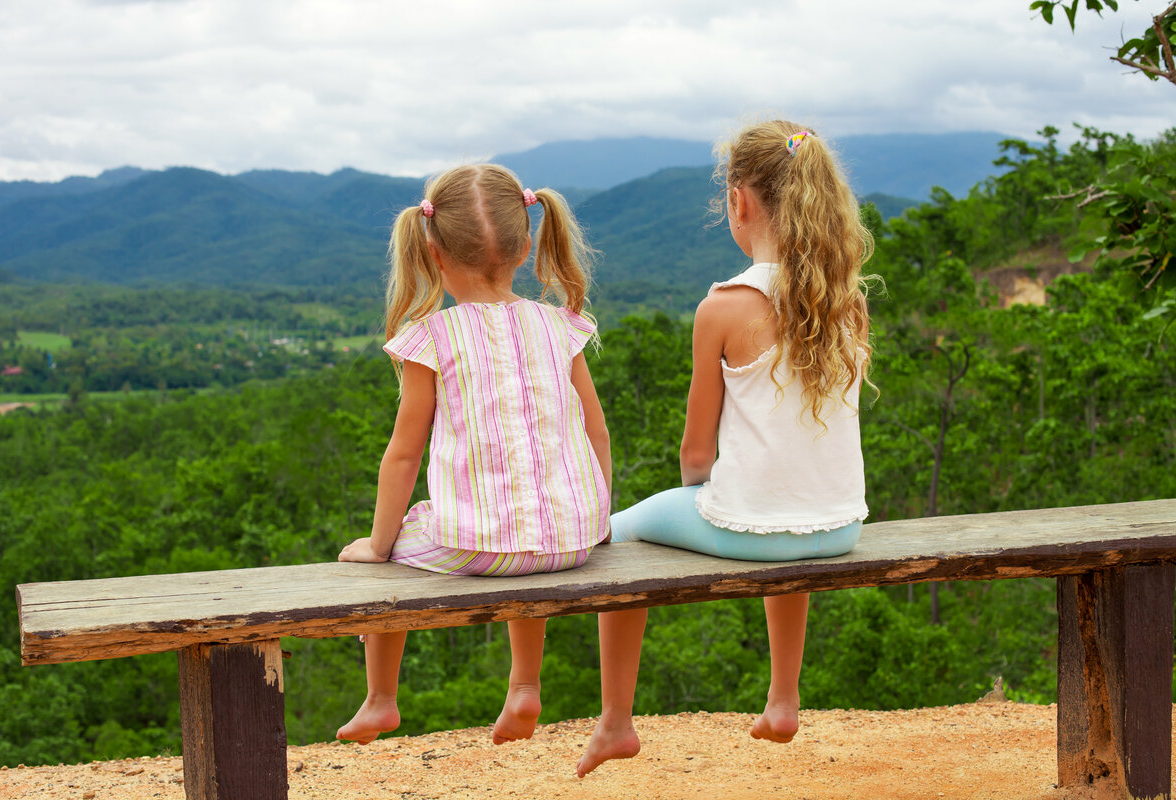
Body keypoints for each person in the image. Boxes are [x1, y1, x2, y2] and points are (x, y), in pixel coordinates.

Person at [577, 120, 875, 777]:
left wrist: (698, 495)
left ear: (739, 201)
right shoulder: (844, 299)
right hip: (841, 525)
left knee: (613, 535)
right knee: (776, 501)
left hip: (757, 529)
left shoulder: (724, 306)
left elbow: (695, 454)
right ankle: (783, 698)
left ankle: (616, 722)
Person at [336, 164, 612, 747]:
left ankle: (381, 699)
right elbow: (595, 429)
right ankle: (525, 687)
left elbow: (404, 454)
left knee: (396, 543)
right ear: (528, 243)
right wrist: (599, 523)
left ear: (432, 251)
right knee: (524, 518)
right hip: (572, 542)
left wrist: (377, 544)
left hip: (481, 548)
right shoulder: (561, 325)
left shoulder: (431, 337)